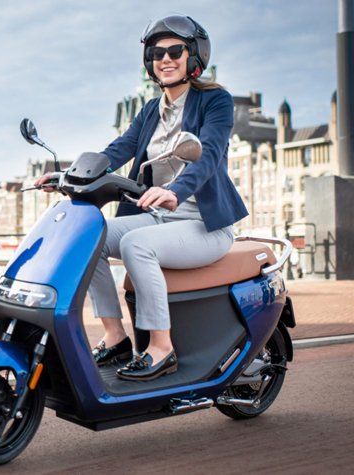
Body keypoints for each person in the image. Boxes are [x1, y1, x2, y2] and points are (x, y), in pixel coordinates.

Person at [36, 15, 247, 381]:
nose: (165, 59)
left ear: (194, 56)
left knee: (137, 245)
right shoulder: (150, 110)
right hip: (158, 218)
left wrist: (174, 191)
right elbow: (118, 149)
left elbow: (209, 155)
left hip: (204, 224)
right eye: (156, 53)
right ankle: (116, 336)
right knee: (89, 237)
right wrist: (68, 175)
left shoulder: (215, 101)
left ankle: (161, 348)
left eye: (175, 51)